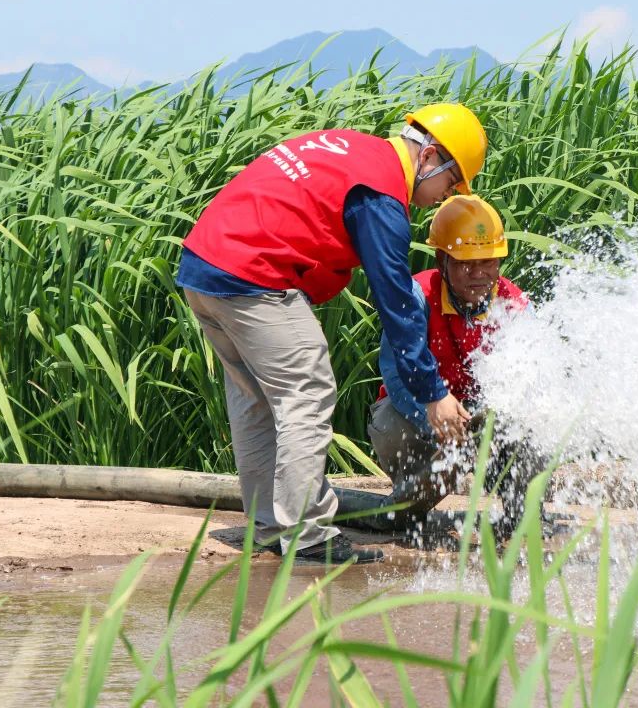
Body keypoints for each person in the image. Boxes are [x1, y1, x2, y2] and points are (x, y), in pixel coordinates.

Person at [175, 104, 488, 563]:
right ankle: (308, 537)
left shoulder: (357, 150)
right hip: (252, 275)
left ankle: (267, 527)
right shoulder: (382, 196)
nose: (447, 196)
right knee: (308, 390)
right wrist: (433, 393)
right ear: (429, 158)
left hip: (205, 266)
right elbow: (398, 304)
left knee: (255, 398)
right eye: (451, 181)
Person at [364, 194, 543, 538]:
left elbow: (534, 380)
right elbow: (397, 377)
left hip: (480, 417)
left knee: (529, 426)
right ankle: (410, 508)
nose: (479, 274)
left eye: (488, 262)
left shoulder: (515, 306)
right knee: (390, 424)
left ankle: (520, 512)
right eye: (465, 264)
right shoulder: (415, 297)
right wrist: (440, 425)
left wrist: (487, 422)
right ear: (442, 259)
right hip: (418, 413)